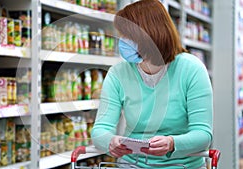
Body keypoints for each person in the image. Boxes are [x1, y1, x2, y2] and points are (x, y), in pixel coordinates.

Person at [91, 0, 213, 169]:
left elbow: (203, 134)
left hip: (183, 165)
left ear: (150, 35)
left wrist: (172, 142)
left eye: (127, 36)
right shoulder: (118, 73)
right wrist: (110, 141)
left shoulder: (191, 68)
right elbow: (100, 129)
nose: (122, 41)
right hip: (133, 164)